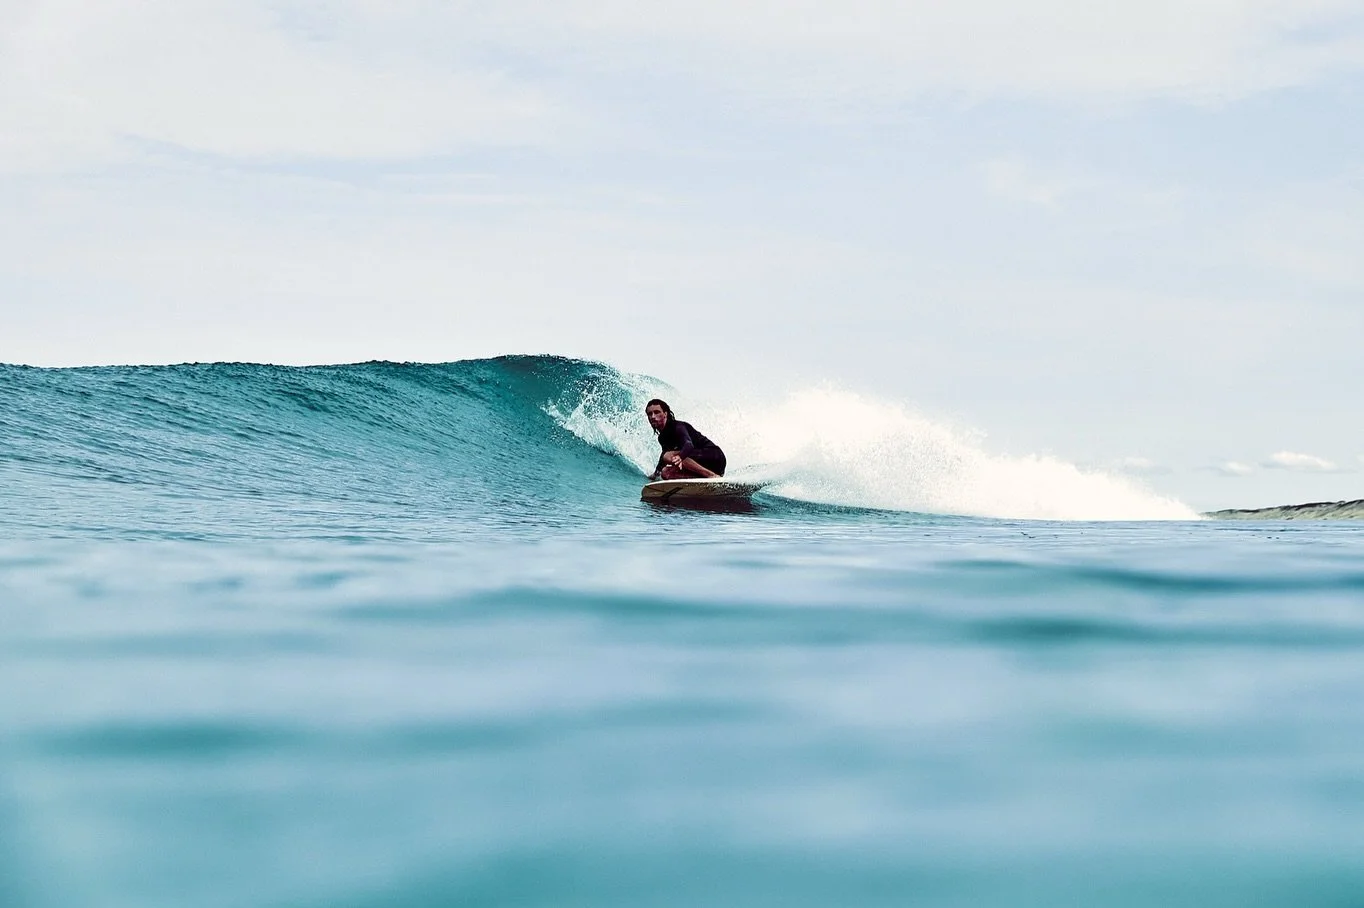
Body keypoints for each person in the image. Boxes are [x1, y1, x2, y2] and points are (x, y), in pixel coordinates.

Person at [645, 399, 726, 481]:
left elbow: (688, 445)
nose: (653, 416)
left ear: (665, 414)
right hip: (703, 465)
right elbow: (663, 457)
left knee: (669, 456)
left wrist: (680, 457)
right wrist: (656, 474)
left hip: (714, 457)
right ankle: (706, 479)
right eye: (649, 414)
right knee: (666, 473)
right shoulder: (662, 437)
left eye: (657, 412)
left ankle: (712, 476)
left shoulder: (677, 427)